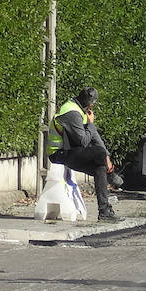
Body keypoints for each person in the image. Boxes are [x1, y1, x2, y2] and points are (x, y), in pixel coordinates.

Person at [48, 87, 122, 222]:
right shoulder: (72, 113)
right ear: (90, 104)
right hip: (59, 153)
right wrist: (91, 124)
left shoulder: (80, 110)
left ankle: (104, 211)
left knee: (99, 167)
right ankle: (111, 176)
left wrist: (107, 157)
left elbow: (94, 136)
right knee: (98, 153)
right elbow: (83, 141)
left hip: (70, 151)